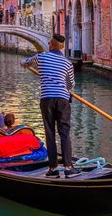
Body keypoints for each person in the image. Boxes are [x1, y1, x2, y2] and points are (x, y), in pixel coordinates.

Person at [20, 33, 80, 178]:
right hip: (63, 99)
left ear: (51, 45)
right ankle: (68, 167)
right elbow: (71, 84)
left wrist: (27, 65)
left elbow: (24, 62)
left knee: (50, 133)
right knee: (64, 133)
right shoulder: (67, 63)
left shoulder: (41, 57)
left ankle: (53, 169)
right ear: (62, 47)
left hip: (46, 99)